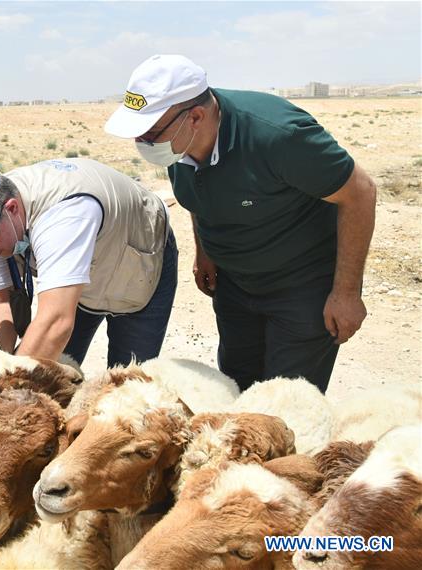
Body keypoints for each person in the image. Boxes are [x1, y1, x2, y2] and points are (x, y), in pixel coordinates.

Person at [104, 54, 377, 392]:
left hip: (302, 287)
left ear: (196, 117)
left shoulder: (279, 136)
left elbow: (360, 194)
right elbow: (200, 196)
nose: (143, 144)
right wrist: (204, 251)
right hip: (236, 286)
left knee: (285, 402)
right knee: (236, 388)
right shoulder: (177, 143)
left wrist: (346, 293)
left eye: (150, 134)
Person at [0, 159, 177, 367]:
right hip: (82, 277)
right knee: (50, 369)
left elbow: (57, 321)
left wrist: (8, 388)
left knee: (127, 384)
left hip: (139, 262)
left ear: (12, 209)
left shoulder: (63, 217)